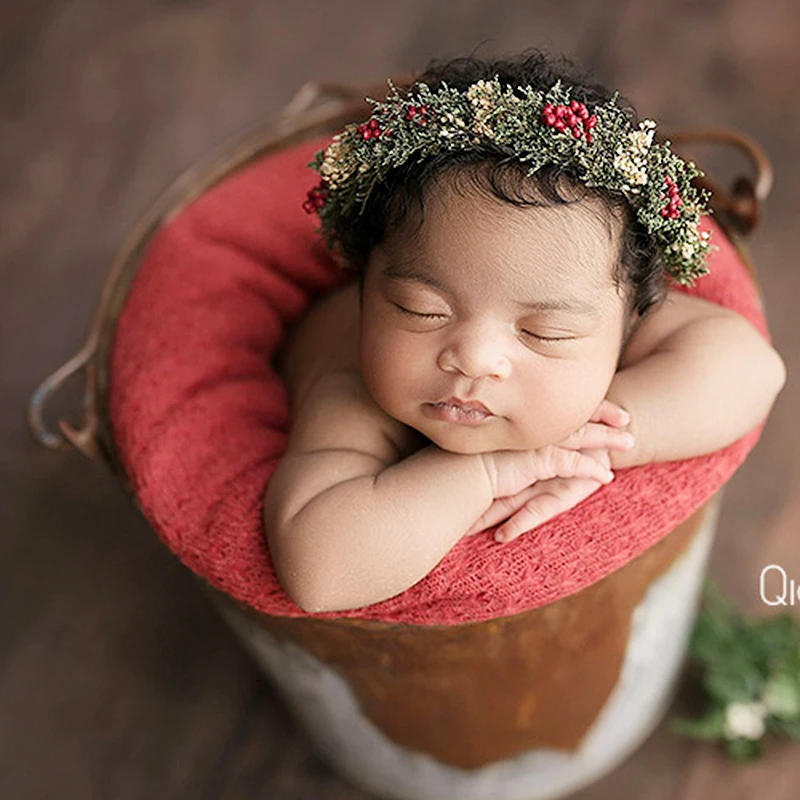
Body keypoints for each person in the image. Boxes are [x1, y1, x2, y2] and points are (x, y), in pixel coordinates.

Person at [263, 51, 786, 614]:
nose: (474, 358)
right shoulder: (356, 392)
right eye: (421, 309)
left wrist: (593, 431)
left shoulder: (594, 303)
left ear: (631, 321)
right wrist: (486, 471)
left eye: (545, 334)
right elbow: (320, 571)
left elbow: (754, 368)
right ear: (363, 286)